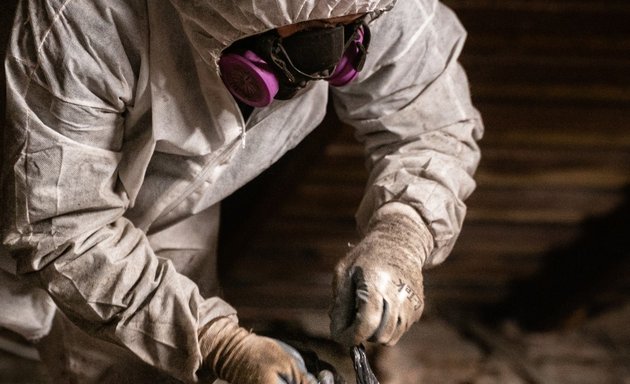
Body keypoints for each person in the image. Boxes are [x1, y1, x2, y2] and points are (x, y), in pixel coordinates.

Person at [0, 0, 483, 382]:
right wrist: (216, 344)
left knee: (151, 370)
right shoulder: (84, 18)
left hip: (180, 208)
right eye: (313, 38)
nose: (336, 57)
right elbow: (62, 224)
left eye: (356, 24)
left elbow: (430, 120)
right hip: (31, 199)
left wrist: (403, 231)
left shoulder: (375, 3)